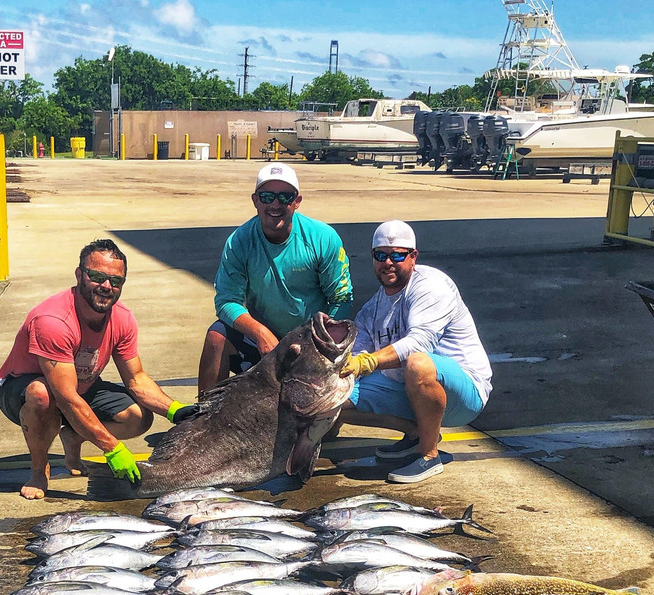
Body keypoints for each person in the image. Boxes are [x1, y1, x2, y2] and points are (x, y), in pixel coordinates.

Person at [0, 238, 197, 499]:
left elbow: (136, 379)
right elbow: (66, 398)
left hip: (80, 386)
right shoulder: (53, 320)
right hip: (20, 390)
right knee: (42, 394)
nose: (106, 287)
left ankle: (74, 437)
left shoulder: (122, 318)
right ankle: (38, 469)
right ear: (80, 274)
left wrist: (175, 410)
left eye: (116, 281)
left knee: (138, 416)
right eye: (97, 276)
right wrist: (112, 448)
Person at [340, 220, 492, 484]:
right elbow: (358, 355)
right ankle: (415, 434)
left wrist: (366, 362)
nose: (388, 262)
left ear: (413, 257)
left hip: (463, 394)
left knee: (418, 363)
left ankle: (430, 455)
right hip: (410, 392)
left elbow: (419, 344)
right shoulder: (370, 310)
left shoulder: (432, 286)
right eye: (381, 255)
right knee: (329, 398)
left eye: (397, 254)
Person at [197, 163, 353, 392]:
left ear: (297, 201)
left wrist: (319, 343)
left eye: (285, 197)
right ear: (255, 200)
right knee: (216, 337)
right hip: (262, 339)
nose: (275, 205)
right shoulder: (239, 241)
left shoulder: (323, 238)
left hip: (312, 340)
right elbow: (226, 301)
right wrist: (261, 333)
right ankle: (206, 418)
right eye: (267, 196)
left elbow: (341, 298)